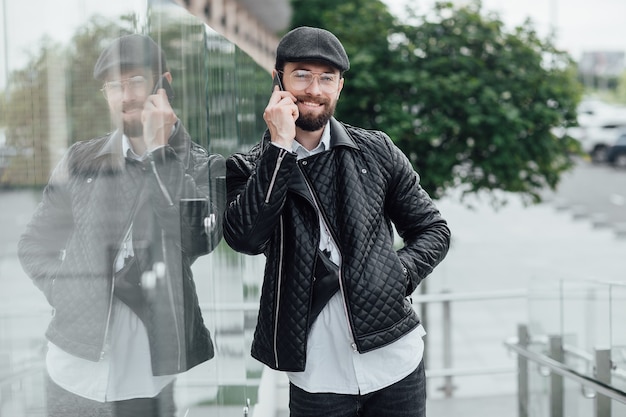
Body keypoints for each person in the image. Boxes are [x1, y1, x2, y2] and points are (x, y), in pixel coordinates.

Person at [223, 26, 451, 417]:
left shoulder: (376, 150)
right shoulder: (248, 168)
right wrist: (279, 148)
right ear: (277, 79)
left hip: (396, 361)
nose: (314, 88)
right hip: (316, 372)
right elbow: (245, 238)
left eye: (326, 77)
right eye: (302, 74)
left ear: (339, 87)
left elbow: (434, 230)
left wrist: (396, 274)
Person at [18, 34, 225, 417]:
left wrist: (161, 152)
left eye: (135, 81)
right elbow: (34, 243)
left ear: (163, 84)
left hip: (148, 374)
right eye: (115, 85)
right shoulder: (81, 158)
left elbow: (198, 239)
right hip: (71, 369)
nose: (126, 95)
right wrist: (65, 291)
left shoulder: (203, 165)